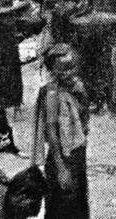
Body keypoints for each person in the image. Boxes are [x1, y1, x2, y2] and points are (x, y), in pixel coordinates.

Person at [32, 44, 89, 218]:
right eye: (63, 69)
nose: (69, 73)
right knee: (61, 206)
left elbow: (83, 120)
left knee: (79, 203)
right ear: (52, 71)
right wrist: (61, 169)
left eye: (72, 67)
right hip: (61, 158)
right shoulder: (51, 94)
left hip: (78, 154)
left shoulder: (78, 87)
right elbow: (51, 132)